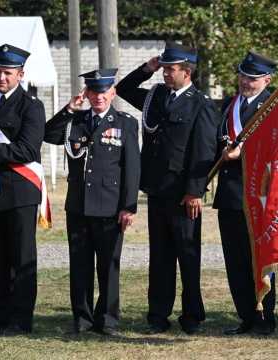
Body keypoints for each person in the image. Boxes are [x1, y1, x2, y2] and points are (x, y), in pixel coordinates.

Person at [116, 41, 219, 335]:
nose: (165, 74)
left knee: (187, 255)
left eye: (170, 70)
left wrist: (195, 191)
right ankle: (158, 315)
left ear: (187, 72)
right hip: (158, 189)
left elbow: (204, 151)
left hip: (183, 193)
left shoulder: (201, 104)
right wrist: (146, 69)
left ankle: (192, 316)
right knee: (159, 257)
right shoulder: (157, 96)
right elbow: (123, 89)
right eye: (163, 69)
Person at [44, 69, 140, 336]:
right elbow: (47, 135)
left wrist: (129, 206)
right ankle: (82, 318)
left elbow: (132, 168)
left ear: (113, 92)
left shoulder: (125, 123)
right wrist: (68, 109)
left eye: (104, 91)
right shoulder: (76, 122)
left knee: (109, 265)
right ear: (86, 93)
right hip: (79, 206)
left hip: (110, 207)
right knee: (80, 264)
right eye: (93, 91)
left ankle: (108, 319)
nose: (99, 97)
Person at [213, 51, 277, 336]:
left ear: (267, 79)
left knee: (261, 256)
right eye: (242, 76)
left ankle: (266, 316)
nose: (245, 82)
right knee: (235, 258)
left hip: (260, 196)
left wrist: (244, 153)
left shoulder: (273, 107)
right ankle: (246, 316)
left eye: (252, 78)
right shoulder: (229, 105)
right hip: (230, 194)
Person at [0, 44, 46, 334]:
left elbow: (27, 150)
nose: (1, 77)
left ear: (20, 74)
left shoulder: (30, 106)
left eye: (7, 73)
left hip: (20, 191)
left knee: (22, 257)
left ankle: (21, 319)